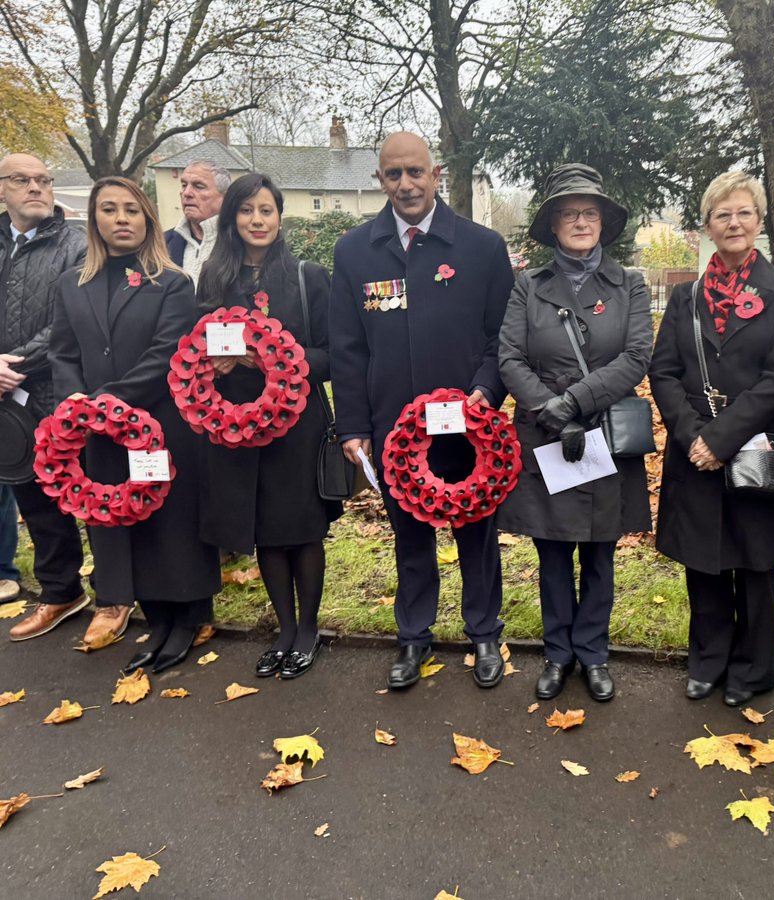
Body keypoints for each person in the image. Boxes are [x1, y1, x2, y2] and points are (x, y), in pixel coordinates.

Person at [329, 132, 513, 691]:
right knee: (410, 536)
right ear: (380, 180)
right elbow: (347, 348)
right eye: (393, 175)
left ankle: (484, 633)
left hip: (468, 428)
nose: (405, 184)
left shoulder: (481, 247)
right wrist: (355, 426)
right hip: (393, 429)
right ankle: (414, 636)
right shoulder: (355, 251)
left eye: (415, 172)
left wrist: (485, 393)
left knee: (476, 536)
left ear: (435, 174)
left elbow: (501, 337)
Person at [649, 171, 774, 707]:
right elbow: (664, 371)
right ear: (707, 227)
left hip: (757, 443)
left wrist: (723, 437)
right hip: (692, 448)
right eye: (723, 214)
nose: (734, 222)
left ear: (759, 222)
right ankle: (709, 659)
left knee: (754, 561)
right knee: (705, 559)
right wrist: (694, 435)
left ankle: (754, 667)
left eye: (743, 212)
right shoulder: (684, 297)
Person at [48, 177, 220, 674]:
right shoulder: (71, 283)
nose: (121, 218)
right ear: (94, 221)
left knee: (171, 524)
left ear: (147, 220)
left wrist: (106, 402)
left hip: (159, 424)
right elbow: (62, 350)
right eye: (109, 209)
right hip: (97, 432)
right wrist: (76, 402)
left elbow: (166, 353)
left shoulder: (170, 282)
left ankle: (188, 617)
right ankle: (157, 618)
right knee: (126, 522)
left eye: (131, 210)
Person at [498, 164, 652, 702]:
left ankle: (594, 652)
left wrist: (575, 401)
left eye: (589, 212)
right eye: (569, 213)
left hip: (605, 430)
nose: (580, 221)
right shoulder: (529, 286)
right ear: (554, 223)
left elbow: (636, 358)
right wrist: (551, 409)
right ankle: (558, 653)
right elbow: (510, 357)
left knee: (601, 553)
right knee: (554, 551)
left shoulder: (631, 284)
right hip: (547, 434)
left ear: (604, 223)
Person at [196, 174, 341, 679]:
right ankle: (283, 629)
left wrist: (268, 360)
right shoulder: (215, 280)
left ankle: (308, 629)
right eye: (246, 210)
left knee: (301, 530)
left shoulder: (307, 276)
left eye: (266, 210)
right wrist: (212, 361)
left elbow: (331, 355)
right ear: (231, 218)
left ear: (280, 217)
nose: (257, 220)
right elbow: (194, 349)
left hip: (295, 423)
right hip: (236, 427)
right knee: (266, 533)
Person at [1, 153, 98, 642]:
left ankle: (115, 593)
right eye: (22, 180)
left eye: (43, 180)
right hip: (7, 405)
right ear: (2, 188)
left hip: (60, 390)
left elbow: (68, 321)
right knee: (34, 501)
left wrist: (10, 365)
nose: (35, 188)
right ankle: (61, 592)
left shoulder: (77, 245)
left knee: (95, 494)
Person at [165, 161, 230, 281]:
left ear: (225, 197)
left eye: (199, 186)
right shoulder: (162, 243)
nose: (186, 193)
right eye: (184, 185)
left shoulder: (240, 242)